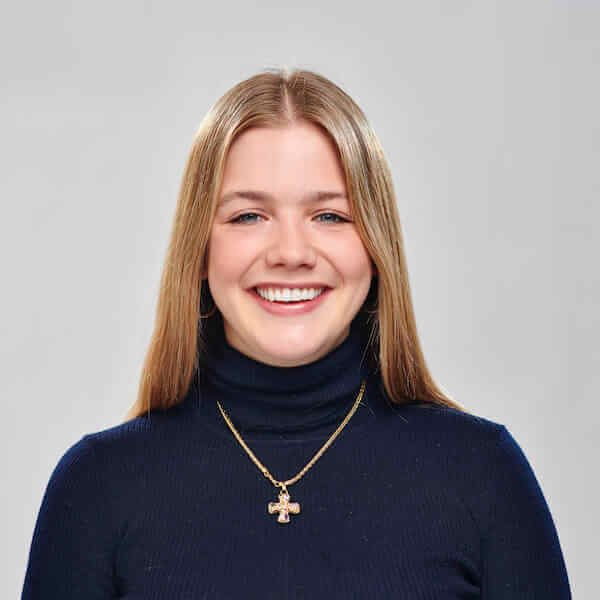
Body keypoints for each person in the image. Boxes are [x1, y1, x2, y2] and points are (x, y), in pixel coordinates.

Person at [21, 68, 572, 599]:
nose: (290, 253)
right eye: (248, 216)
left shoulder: (483, 476)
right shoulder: (96, 489)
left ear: (376, 247)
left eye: (330, 216)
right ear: (200, 250)